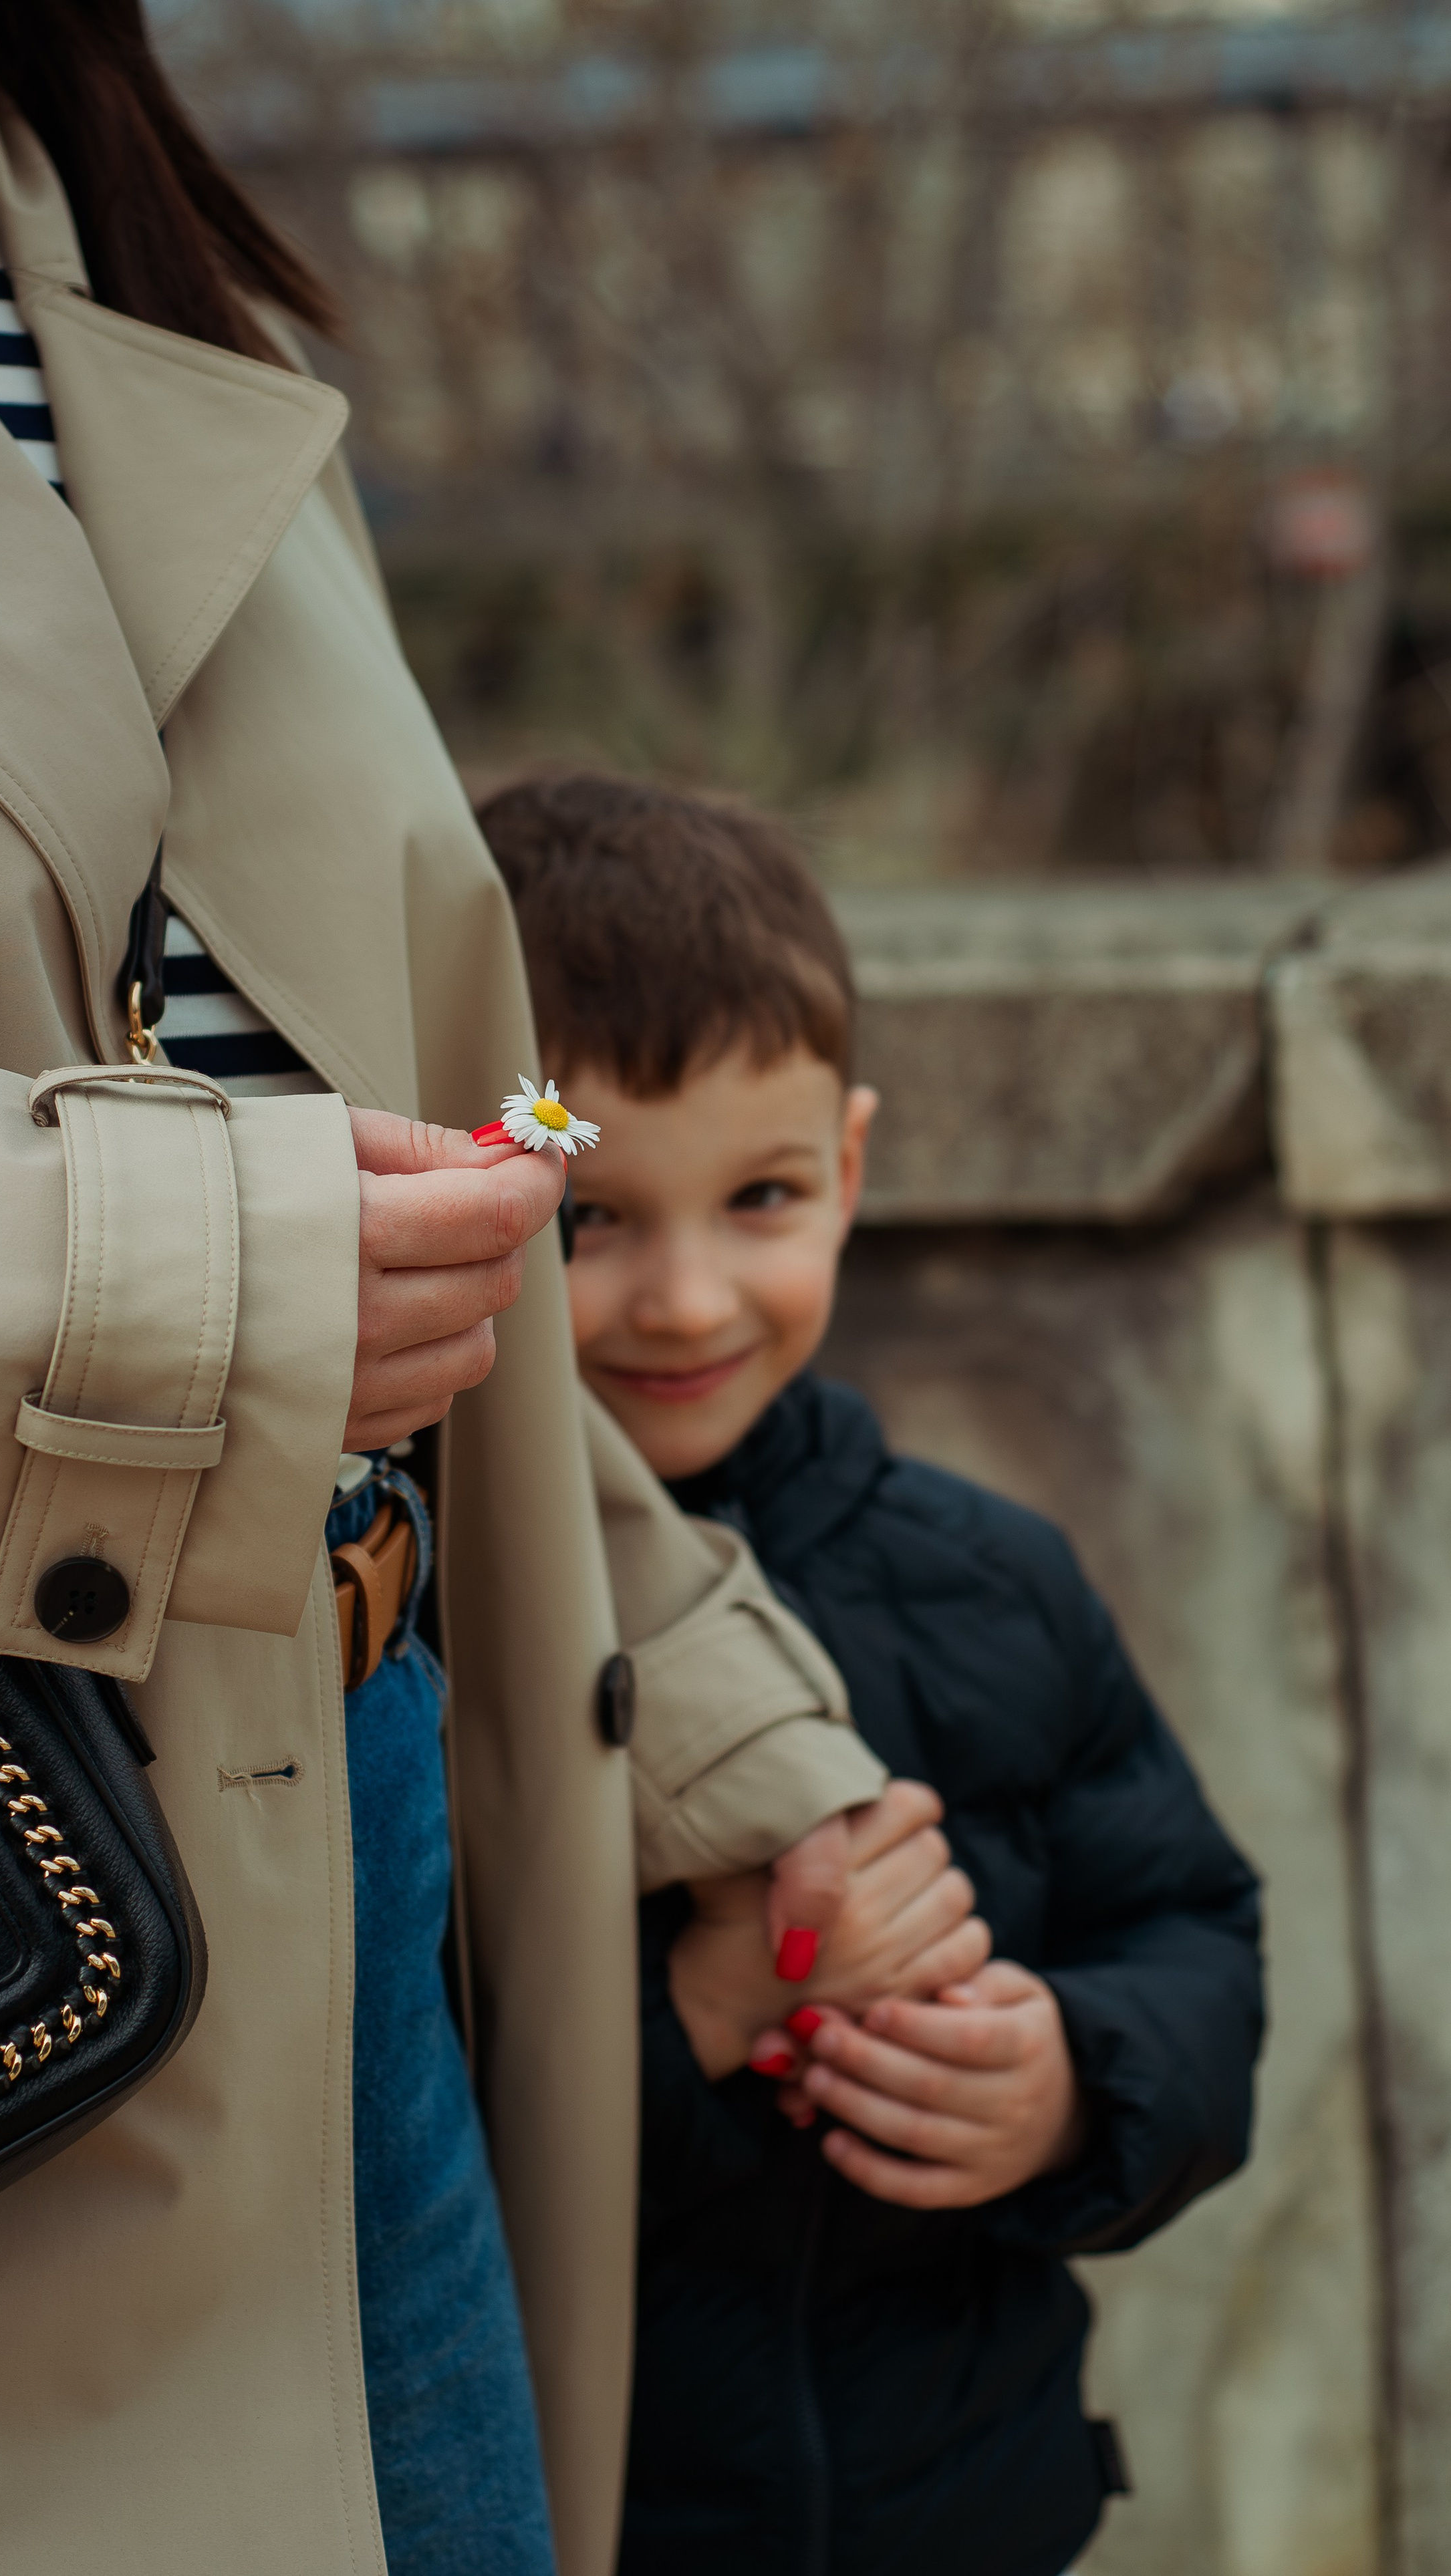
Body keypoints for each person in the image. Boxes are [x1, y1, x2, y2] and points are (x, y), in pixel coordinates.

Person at [0, 14, 958, 2575]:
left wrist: (736, 1759)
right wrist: (162, 1266)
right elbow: (234, 1235)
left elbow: (392, 1165)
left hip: (362, 1857)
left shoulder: (164, 296)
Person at [481, 770, 1267, 2576]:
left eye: (759, 1197)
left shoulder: (994, 1577)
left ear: (847, 1166)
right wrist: (699, 2014)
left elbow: (1196, 1934)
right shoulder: (416, 1619)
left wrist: (1074, 2079)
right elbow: (372, 2145)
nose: (686, 1301)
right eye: (590, 1220)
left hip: (973, 2511)